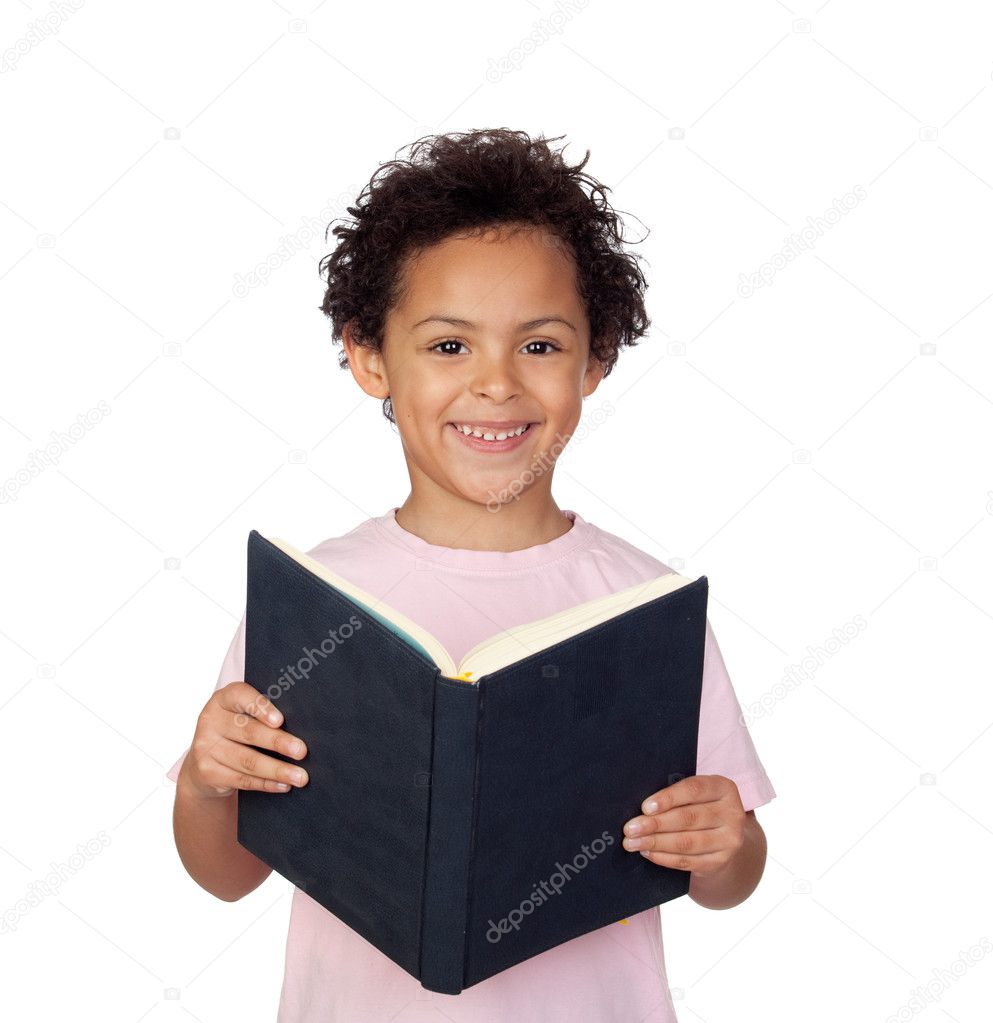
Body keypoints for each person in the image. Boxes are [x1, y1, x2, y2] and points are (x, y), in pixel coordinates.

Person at [168, 128, 776, 1022]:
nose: (495, 386)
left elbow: (731, 868)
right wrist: (203, 779)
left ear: (593, 361)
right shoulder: (312, 602)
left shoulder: (646, 607)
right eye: (449, 346)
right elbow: (228, 874)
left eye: (539, 345)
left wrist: (722, 844)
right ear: (371, 356)